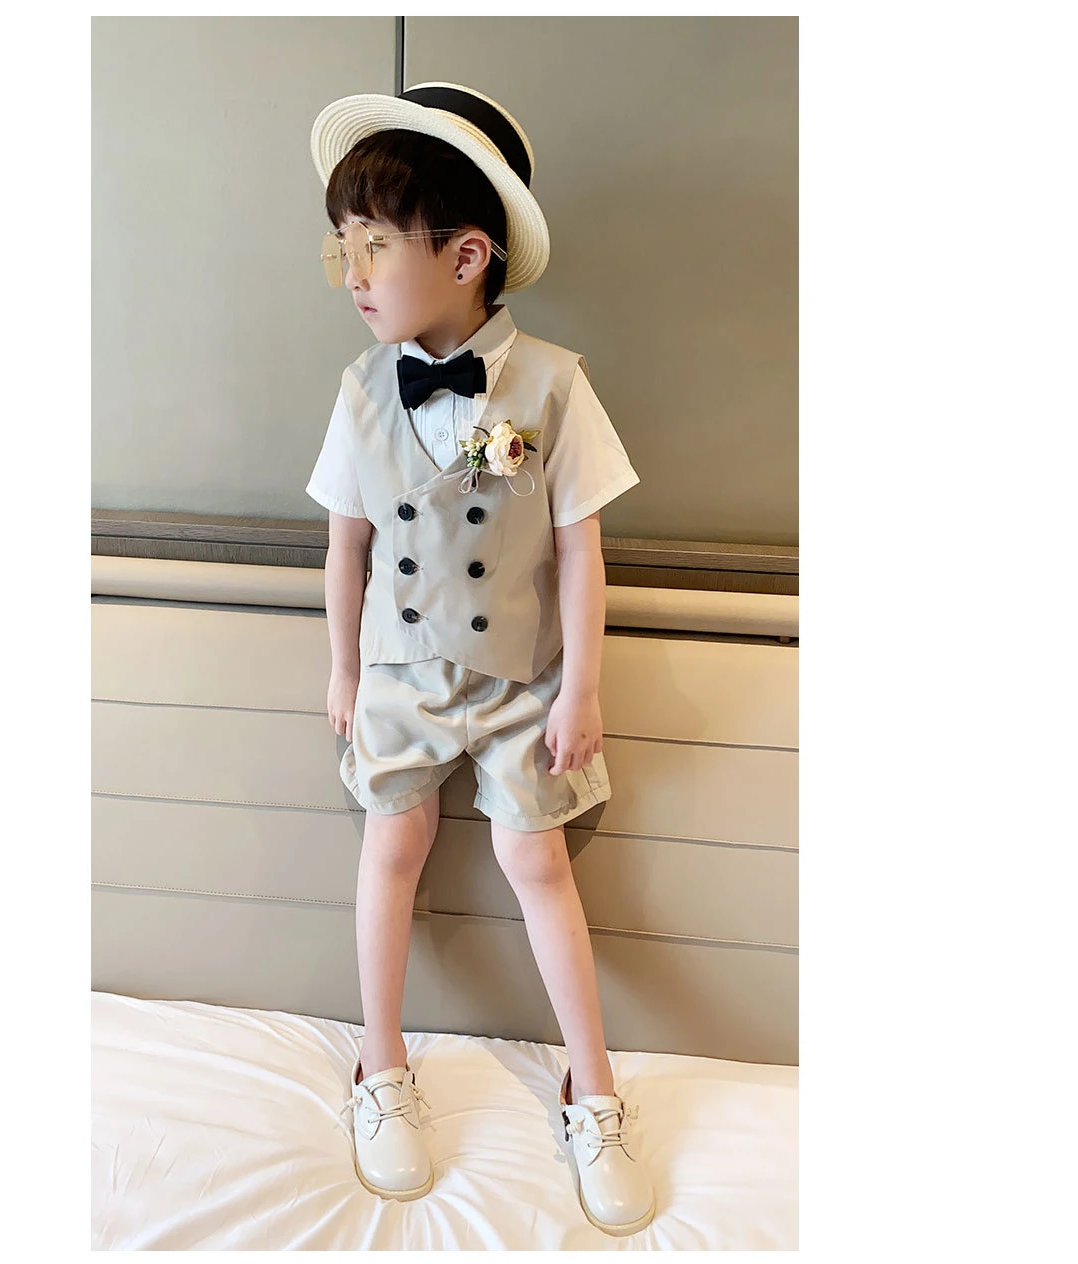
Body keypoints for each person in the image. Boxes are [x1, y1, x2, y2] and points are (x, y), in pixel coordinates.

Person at [305, 82, 654, 1237]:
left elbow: (580, 546)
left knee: (535, 858)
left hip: (518, 682)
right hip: (400, 676)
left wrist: (582, 687)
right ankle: (380, 1063)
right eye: (343, 247)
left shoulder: (552, 384)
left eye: (374, 246)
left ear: (464, 256)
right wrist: (344, 670)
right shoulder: (360, 391)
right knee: (392, 842)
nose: (352, 274)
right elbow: (346, 547)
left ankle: (591, 1087)